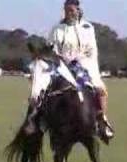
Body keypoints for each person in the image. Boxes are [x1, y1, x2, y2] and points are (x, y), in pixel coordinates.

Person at [27, 0, 114, 142]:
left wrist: (79, 61)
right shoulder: (57, 29)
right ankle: (37, 120)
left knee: (101, 89)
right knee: (41, 86)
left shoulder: (88, 28)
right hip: (61, 65)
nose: (69, 13)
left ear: (78, 10)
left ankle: (102, 121)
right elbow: (51, 49)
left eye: (72, 10)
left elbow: (92, 51)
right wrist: (58, 59)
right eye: (67, 10)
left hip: (84, 65)